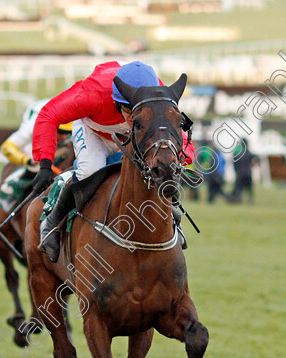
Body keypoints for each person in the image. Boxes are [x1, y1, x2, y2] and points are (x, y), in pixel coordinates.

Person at [30, 61, 194, 262]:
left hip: (134, 135)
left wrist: (182, 157)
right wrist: (45, 163)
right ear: (117, 103)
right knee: (90, 171)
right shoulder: (92, 94)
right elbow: (49, 114)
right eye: (129, 111)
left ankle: (171, 219)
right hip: (94, 131)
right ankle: (53, 222)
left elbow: (173, 128)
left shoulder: (157, 94)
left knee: (152, 172)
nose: (133, 116)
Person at [228, 139, 256, 204]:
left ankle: (238, 199)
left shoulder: (239, 154)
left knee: (238, 188)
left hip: (240, 173)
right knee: (249, 189)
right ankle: (251, 201)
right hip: (248, 173)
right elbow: (257, 159)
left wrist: (236, 170)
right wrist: (252, 165)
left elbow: (234, 162)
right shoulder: (250, 154)